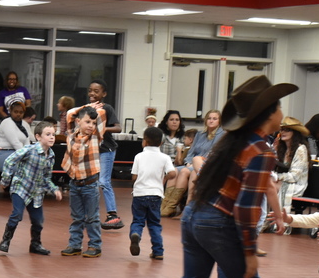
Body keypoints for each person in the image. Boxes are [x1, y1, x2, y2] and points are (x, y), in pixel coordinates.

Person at [112, 75, 298, 278]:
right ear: (269, 114)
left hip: (194, 218)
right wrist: (250, 252)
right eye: (278, 107)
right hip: (219, 224)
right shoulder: (261, 150)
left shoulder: (231, 141)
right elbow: (247, 209)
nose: (282, 113)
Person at [0, 121, 61, 255]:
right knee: (17, 215)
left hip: (36, 192)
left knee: (38, 220)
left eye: (53, 134)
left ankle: (35, 244)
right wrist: (6, 180)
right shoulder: (29, 150)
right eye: (48, 134)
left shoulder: (51, 156)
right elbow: (9, 161)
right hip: (21, 187)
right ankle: (5, 241)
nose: (52, 137)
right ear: (38, 137)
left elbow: (46, 177)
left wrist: (54, 189)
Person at [60, 105, 105, 257]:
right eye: (88, 122)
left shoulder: (95, 136)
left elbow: (103, 114)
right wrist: (87, 106)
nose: (91, 126)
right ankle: (75, 245)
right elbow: (69, 113)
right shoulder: (71, 134)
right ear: (79, 121)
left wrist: (93, 111)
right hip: (75, 183)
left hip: (90, 184)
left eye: (93, 123)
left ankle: (94, 246)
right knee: (77, 217)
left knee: (92, 217)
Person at [162, 109, 223, 217]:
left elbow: (213, 153)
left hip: (205, 164)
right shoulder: (200, 134)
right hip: (192, 163)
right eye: (209, 118)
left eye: (214, 119)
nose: (211, 121)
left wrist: (193, 163)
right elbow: (191, 152)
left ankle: (180, 207)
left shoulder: (221, 134)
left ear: (219, 121)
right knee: (175, 171)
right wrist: (188, 162)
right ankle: (166, 204)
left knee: (185, 172)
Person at [128, 127, 177, 260]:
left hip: (139, 193)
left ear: (144, 141)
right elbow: (173, 173)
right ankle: (158, 251)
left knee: (138, 220)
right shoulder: (164, 157)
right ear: (161, 143)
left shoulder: (139, 156)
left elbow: (134, 177)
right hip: (155, 194)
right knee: (154, 223)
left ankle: (135, 234)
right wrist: (165, 177)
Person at [85, 79, 123, 230]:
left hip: (106, 149)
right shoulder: (87, 108)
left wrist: (102, 128)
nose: (92, 93)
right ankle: (90, 215)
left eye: (96, 91)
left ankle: (113, 216)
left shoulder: (107, 108)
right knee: (91, 182)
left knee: (104, 181)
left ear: (104, 94)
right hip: (92, 151)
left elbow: (118, 128)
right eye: (90, 90)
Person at [274, 117, 310, 217]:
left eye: (287, 130)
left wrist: (276, 177)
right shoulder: (282, 148)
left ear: (295, 132)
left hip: (296, 184)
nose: (283, 132)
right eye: (282, 129)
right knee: (266, 184)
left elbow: (295, 176)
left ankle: (277, 219)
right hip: (283, 181)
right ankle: (265, 218)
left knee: (271, 186)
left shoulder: (300, 149)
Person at [0, 101, 34, 171]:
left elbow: (27, 143)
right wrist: (25, 156)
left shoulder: (25, 124)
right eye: (15, 112)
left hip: (18, 153)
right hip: (1, 154)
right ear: (10, 111)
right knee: (20, 168)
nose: (18, 114)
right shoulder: (7, 122)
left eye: (21, 112)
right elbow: (15, 143)